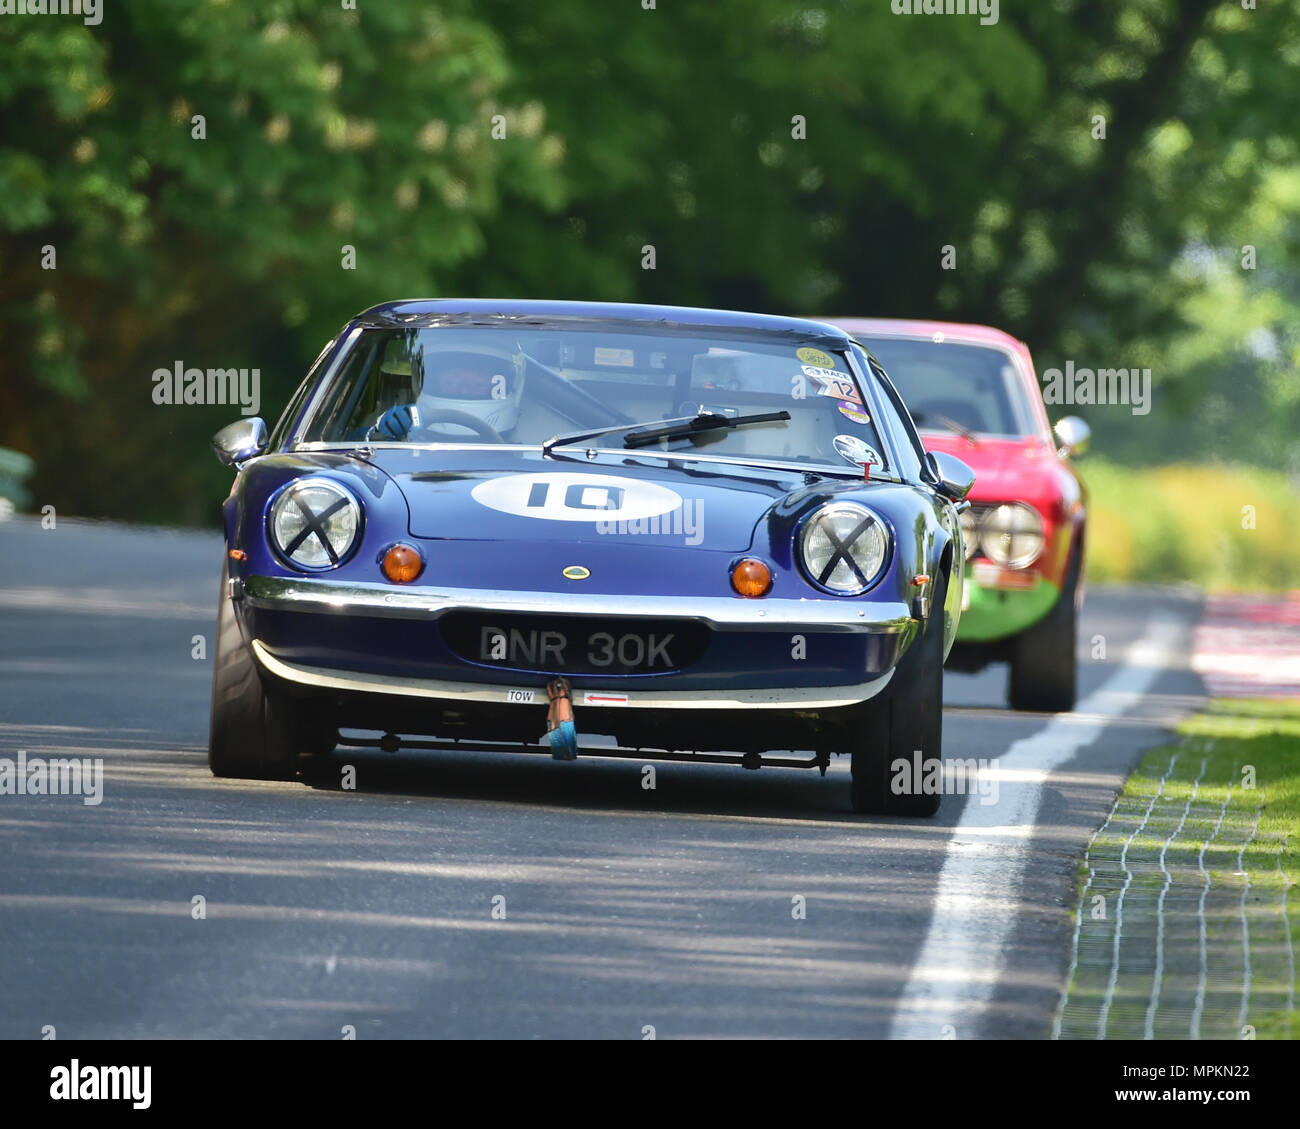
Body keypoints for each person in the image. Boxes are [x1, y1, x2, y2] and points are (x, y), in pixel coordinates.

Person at [364, 342, 526, 441]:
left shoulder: (539, 442)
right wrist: (379, 431)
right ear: (429, 376)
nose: (465, 384)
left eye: (479, 371)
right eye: (454, 372)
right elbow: (345, 450)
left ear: (509, 378)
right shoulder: (400, 426)